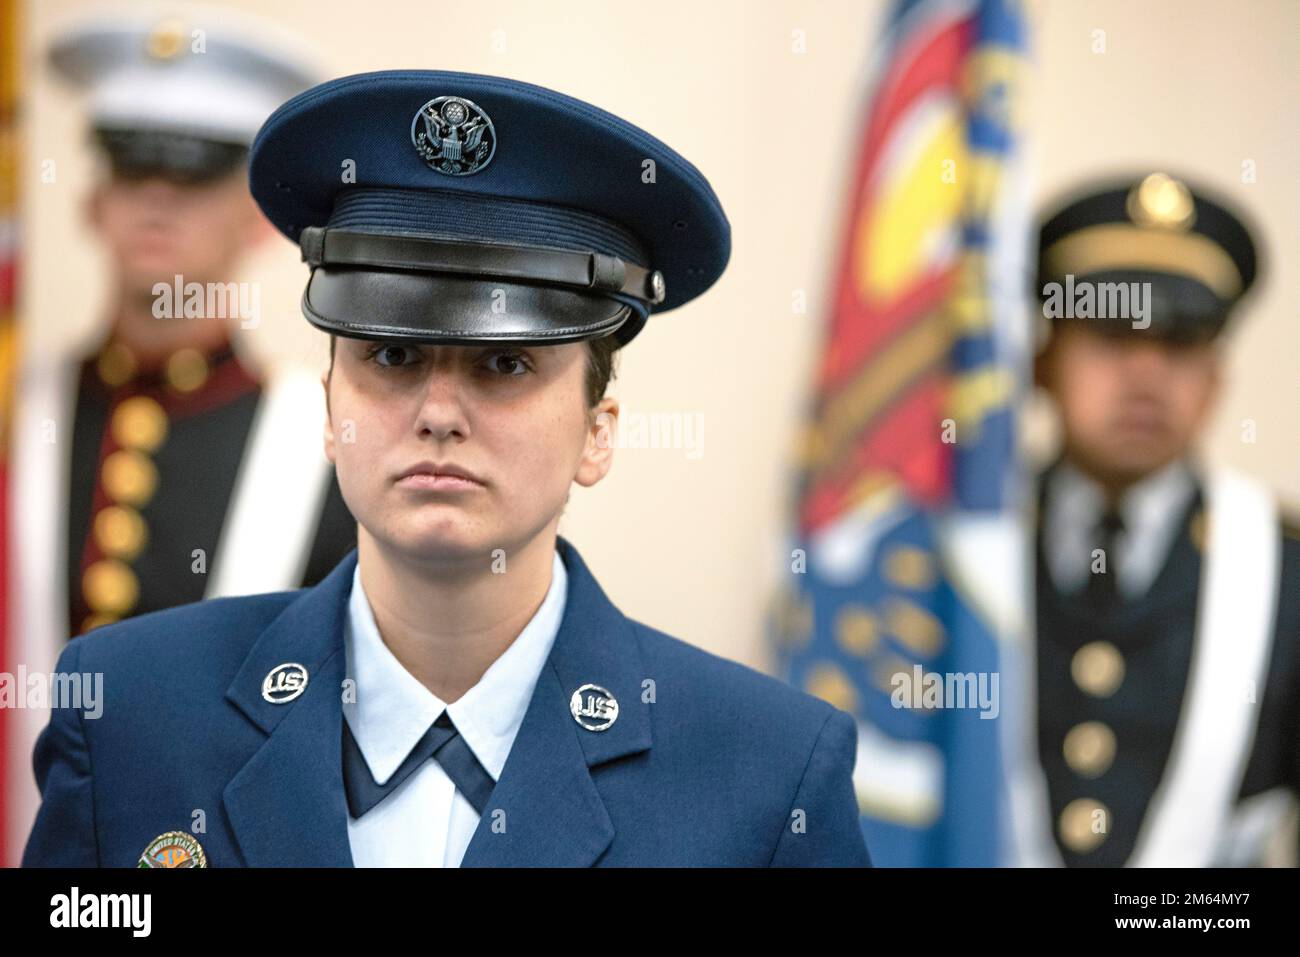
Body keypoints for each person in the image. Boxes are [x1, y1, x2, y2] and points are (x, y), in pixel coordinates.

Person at [21, 70, 872, 867]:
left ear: (598, 432)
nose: (436, 411)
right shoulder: (130, 715)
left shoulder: (764, 778)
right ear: (329, 409)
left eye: (504, 365)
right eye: (392, 354)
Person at [4, 7, 359, 867]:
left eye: (195, 175)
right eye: (133, 166)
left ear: (254, 218)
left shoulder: (322, 447)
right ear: (92, 200)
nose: (158, 197)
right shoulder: (18, 411)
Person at [1021, 172, 1299, 866]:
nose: (1146, 373)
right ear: (1042, 356)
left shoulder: (1285, 572)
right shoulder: (946, 554)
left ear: (1216, 376)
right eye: (1112, 333)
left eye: (1180, 340)